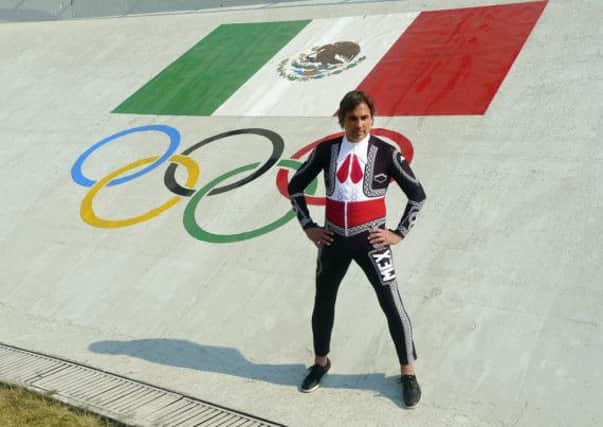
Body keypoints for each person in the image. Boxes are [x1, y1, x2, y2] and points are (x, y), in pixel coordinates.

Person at [287, 90, 426, 408]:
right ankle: (320, 363)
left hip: (372, 242)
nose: (360, 125)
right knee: (323, 303)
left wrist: (399, 233)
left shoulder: (386, 152)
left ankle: (408, 371)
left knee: (392, 305)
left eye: (365, 118)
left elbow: (417, 195)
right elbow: (295, 187)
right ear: (342, 119)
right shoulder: (326, 149)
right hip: (333, 240)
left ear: (372, 118)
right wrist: (308, 226)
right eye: (353, 118)